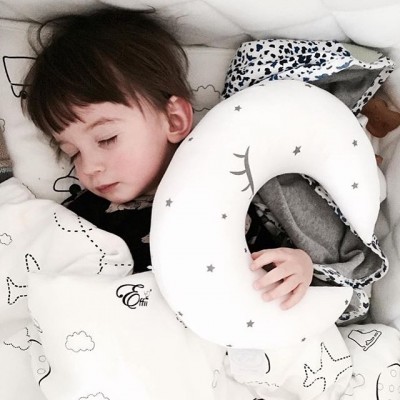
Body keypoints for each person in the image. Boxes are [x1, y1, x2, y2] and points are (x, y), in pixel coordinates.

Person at [22, 7, 313, 310]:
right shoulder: (80, 217)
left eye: (106, 138)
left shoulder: (228, 187)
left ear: (173, 120)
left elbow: (283, 267)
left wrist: (300, 266)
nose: (89, 167)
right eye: (73, 153)